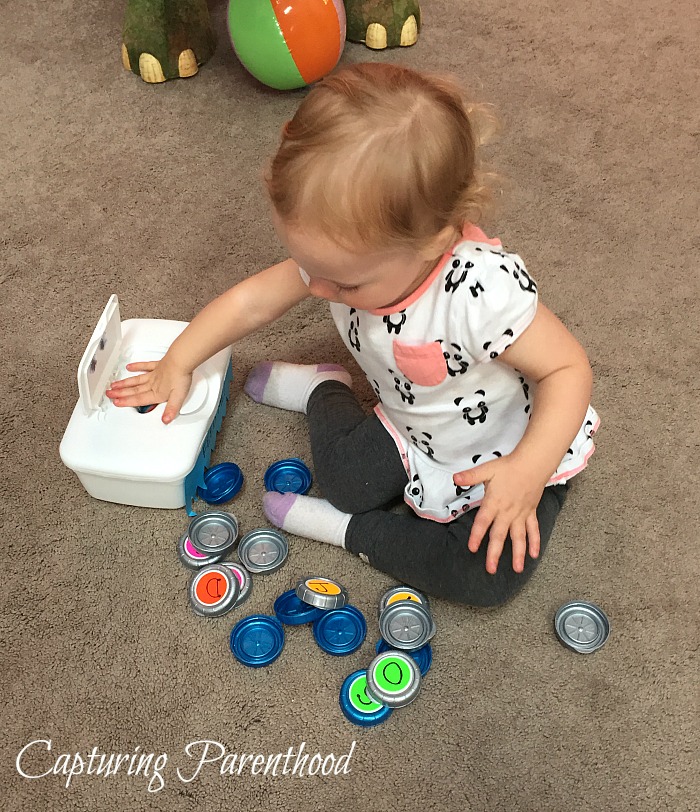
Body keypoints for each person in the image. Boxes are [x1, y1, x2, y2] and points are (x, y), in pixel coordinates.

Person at [106, 62, 599, 606]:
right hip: (411, 425)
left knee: (485, 578)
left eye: (343, 281)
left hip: (508, 446)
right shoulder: (341, 258)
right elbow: (250, 303)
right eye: (307, 266)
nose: (315, 288)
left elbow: (567, 369)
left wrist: (529, 472)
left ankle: (349, 533)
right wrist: (178, 360)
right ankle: (324, 389)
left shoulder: (478, 293)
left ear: (432, 242)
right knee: (346, 483)